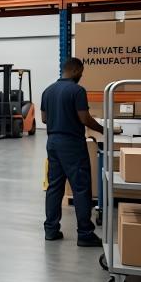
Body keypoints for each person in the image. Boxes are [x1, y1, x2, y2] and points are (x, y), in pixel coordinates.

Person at [41, 57, 112, 247]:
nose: (81, 75)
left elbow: (44, 119)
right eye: (81, 72)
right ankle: (85, 234)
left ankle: (51, 230)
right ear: (74, 70)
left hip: (52, 142)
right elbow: (84, 118)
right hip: (72, 143)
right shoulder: (77, 90)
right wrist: (104, 130)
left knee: (54, 187)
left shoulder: (48, 90)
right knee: (80, 187)